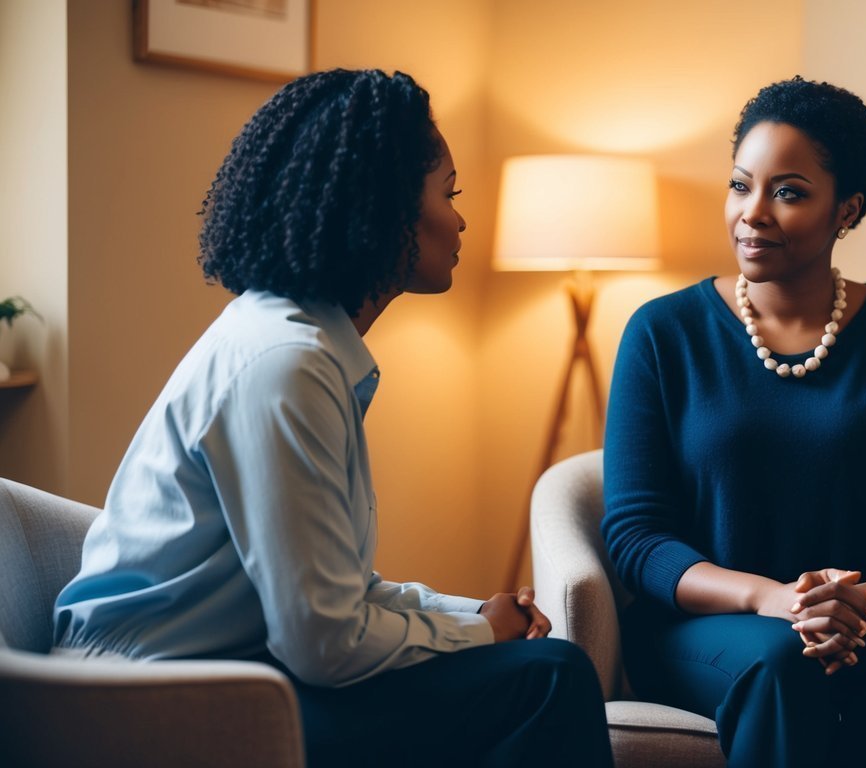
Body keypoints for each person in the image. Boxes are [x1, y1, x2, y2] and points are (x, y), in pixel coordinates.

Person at [52, 68, 613, 768]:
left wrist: (472, 613)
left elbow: (340, 598)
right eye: (449, 193)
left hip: (232, 668)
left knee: (534, 672)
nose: (462, 218)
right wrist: (481, 637)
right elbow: (322, 644)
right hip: (144, 705)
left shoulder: (304, 346)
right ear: (380, 208)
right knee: (547, 680)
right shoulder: (285, 367)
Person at [601, 76, 866, 768]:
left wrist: (864, 601)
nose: (753, 213)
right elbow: (634, 535)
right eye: (741, 186)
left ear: (846, 210)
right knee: (779, 664)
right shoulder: (661, 334)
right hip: (705, 627)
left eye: (788, 192)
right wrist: (769, 600)